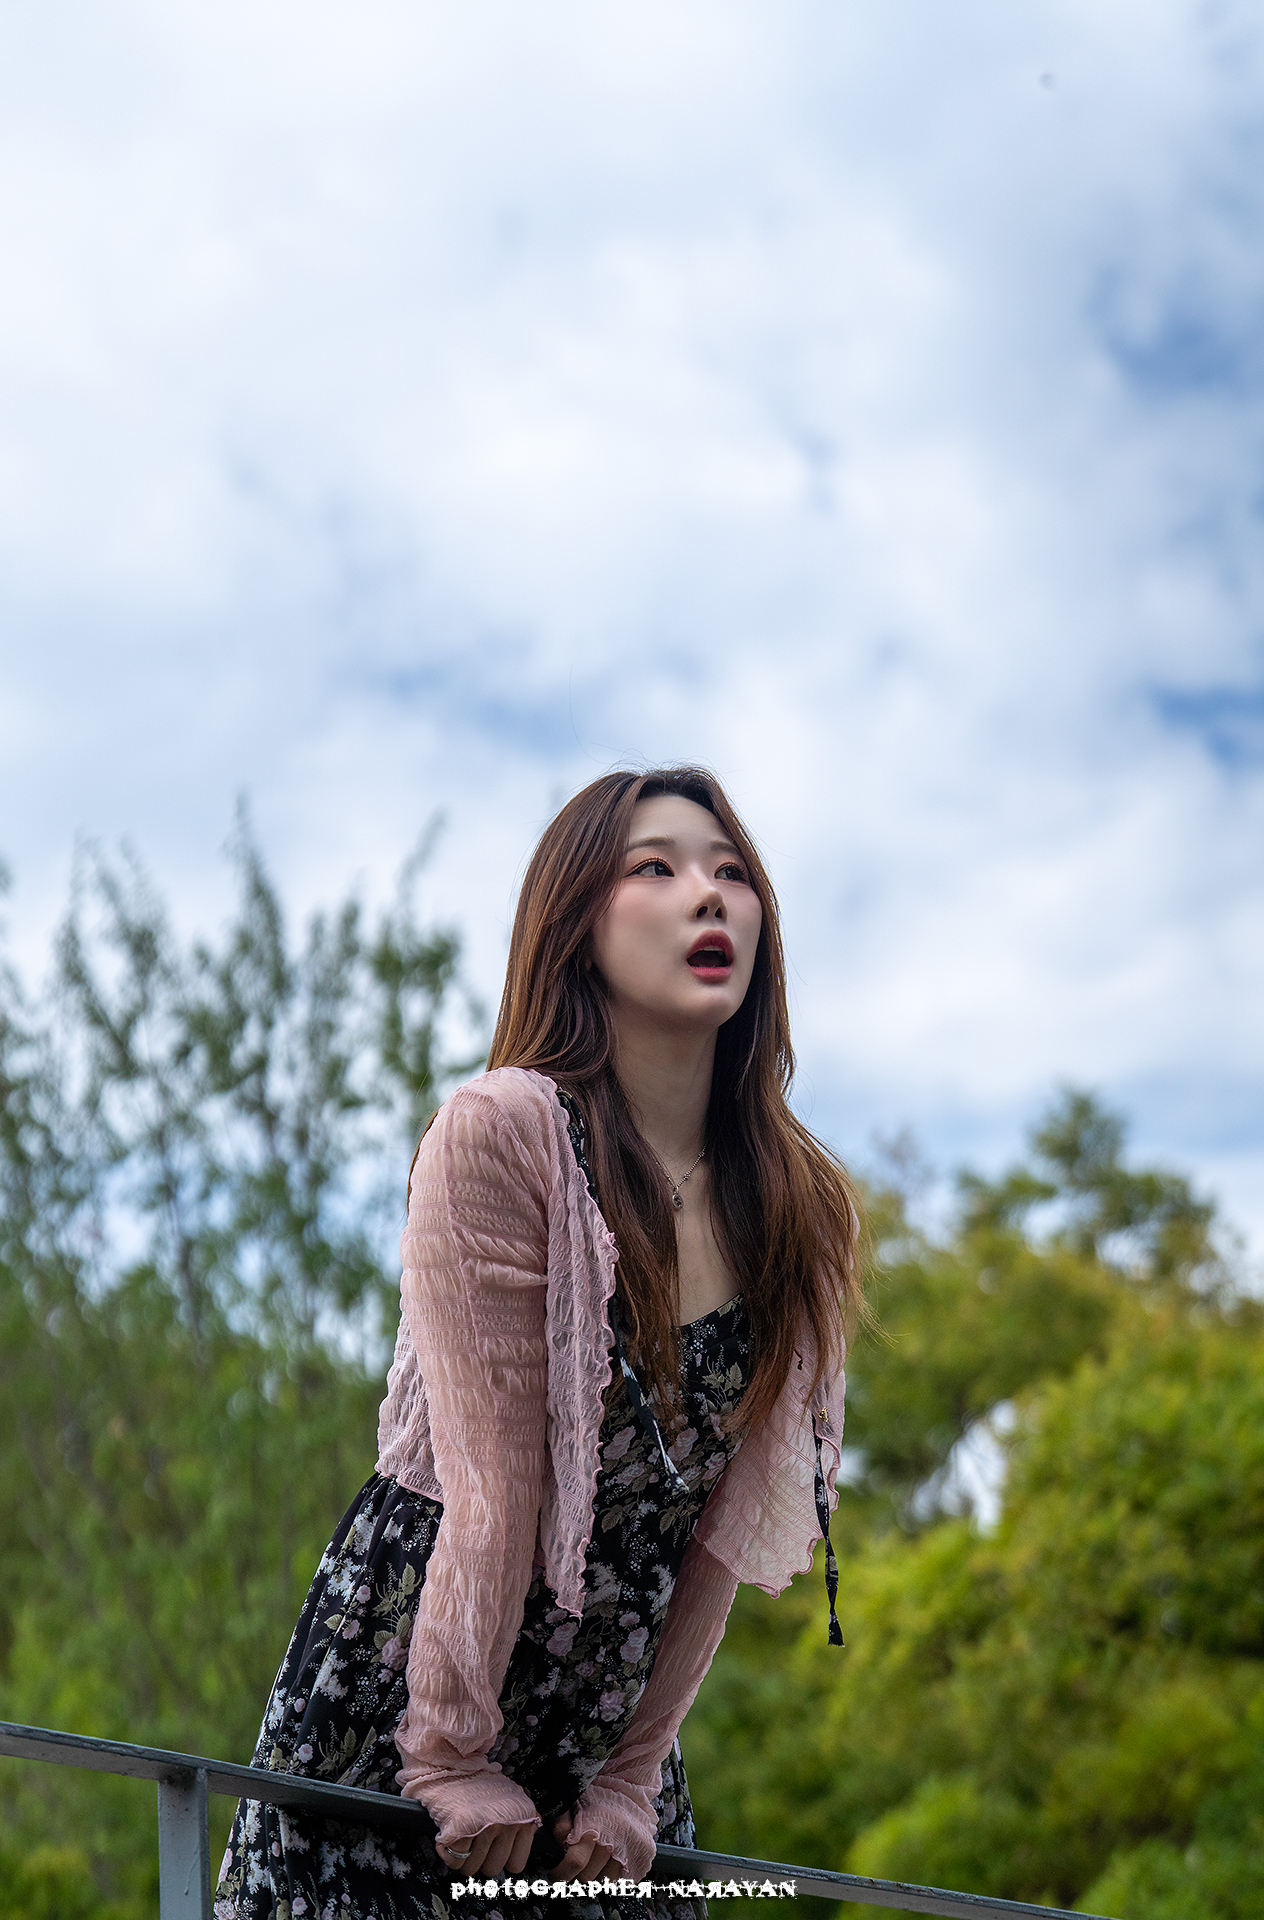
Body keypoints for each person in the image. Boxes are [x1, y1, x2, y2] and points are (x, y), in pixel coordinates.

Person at [215, 765, 860, 1920]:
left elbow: (716, 1531)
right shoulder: (502, 1134)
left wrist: (629, 1778)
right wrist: (450, 1753)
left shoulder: (797, 1202)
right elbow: (495, 1484)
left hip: (607, 1727)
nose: (707, 896)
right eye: (655, 868)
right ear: (576, 923)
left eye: (730, 873)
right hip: (415, 1688)